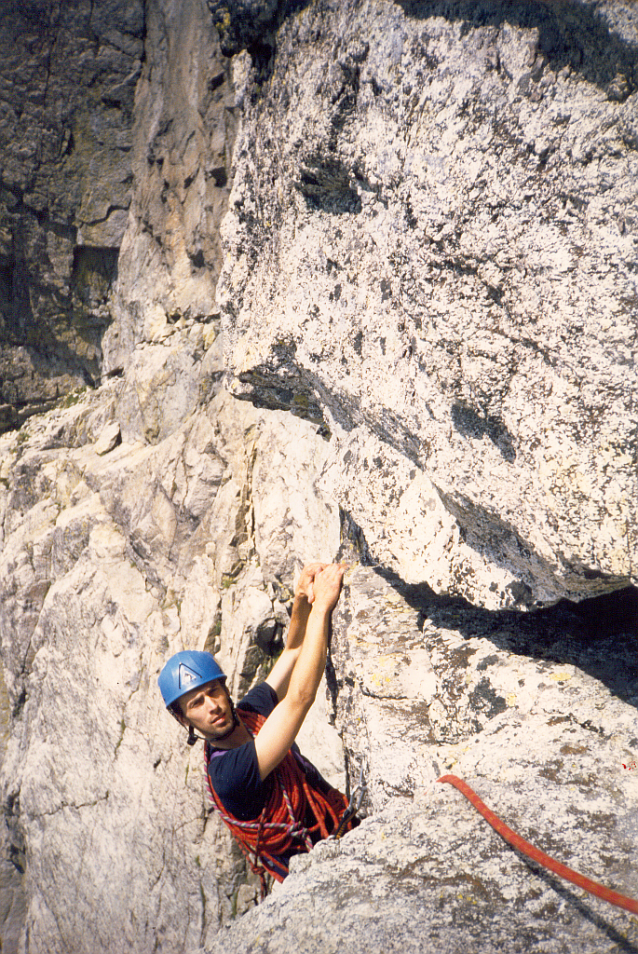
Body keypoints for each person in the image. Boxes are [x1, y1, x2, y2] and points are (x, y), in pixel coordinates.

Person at [158, 562, 358, 888]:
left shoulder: (248, 713)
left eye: (213, 692)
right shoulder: (229, 774)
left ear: (224, 688)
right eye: (197, 703)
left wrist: (302, 601)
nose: (212, 707)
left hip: (338, 829)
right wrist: (322, 608)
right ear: (184, 719)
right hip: (316, 871)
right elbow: (299, 698)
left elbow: (292, 651)